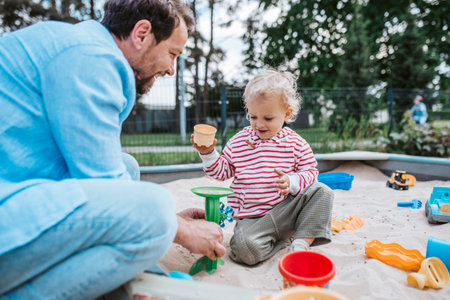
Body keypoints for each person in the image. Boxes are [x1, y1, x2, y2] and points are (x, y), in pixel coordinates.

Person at [0, 0, 225, 299]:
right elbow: (102, 181)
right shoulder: (90, 57)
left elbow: (103, 177)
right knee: (155, 211)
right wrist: (179, 229)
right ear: (142, 33)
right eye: (172, 54)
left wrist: (176, 223)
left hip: (18, 188)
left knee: (128, 168)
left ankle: (127, 283)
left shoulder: (80, 46)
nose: (172, 69)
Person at [191, 70, 333, 266]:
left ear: (287, 114)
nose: (258, 124)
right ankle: (280, 241)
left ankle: (300, 243)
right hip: (253, 219)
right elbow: (221, 172)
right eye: (253, 116)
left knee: (323, 192)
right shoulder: (240, 142)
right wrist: (208, 153)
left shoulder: (295, 144)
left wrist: (292, 182)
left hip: (286, 210)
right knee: (244, 250)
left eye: (268, 118)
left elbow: (310, 172)